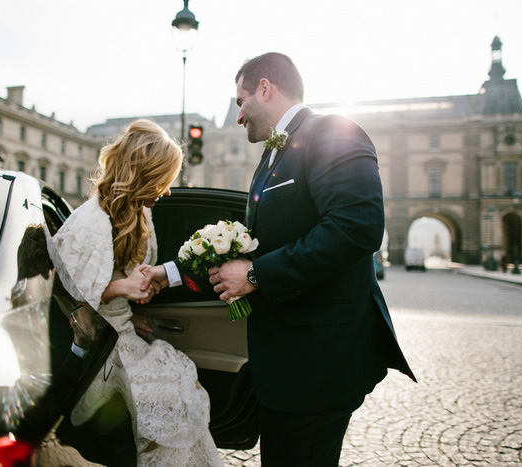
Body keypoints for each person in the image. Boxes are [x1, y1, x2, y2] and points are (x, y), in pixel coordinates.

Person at [143, 52, 415, 466]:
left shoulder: (335, 132)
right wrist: (169, 274)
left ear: (265, 88)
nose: (238, 116)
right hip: (287, 366)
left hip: (318, 363)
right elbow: (247, 241)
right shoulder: (270, 158)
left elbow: (356, 227)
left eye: (240, 101)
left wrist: (256, 274)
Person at [43, 119, 222, 466]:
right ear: (141, 174)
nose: (167, 191)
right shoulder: (90, 222)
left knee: (177, 388)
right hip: (96, 342)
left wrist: (138, 293)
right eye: (162, 180)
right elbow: (66, 297)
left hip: (122, 329)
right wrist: (120, 288)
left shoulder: (139, 212)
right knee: (169, 392)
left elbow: (127, 274)